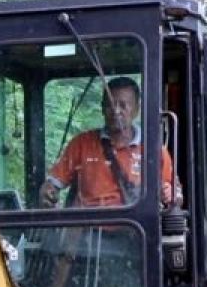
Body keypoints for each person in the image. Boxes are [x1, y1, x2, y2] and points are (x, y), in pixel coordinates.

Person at [38, 76, 179, 209]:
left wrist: (170, 194)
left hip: (137, 229)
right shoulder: (81, 144)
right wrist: (48, 192)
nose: (116, 111)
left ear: (136, 109)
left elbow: (175, 195)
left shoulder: (153, 149)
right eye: (110, 105)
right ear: (102, 108)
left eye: (123, 105)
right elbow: (52, 184)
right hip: (89, 227)